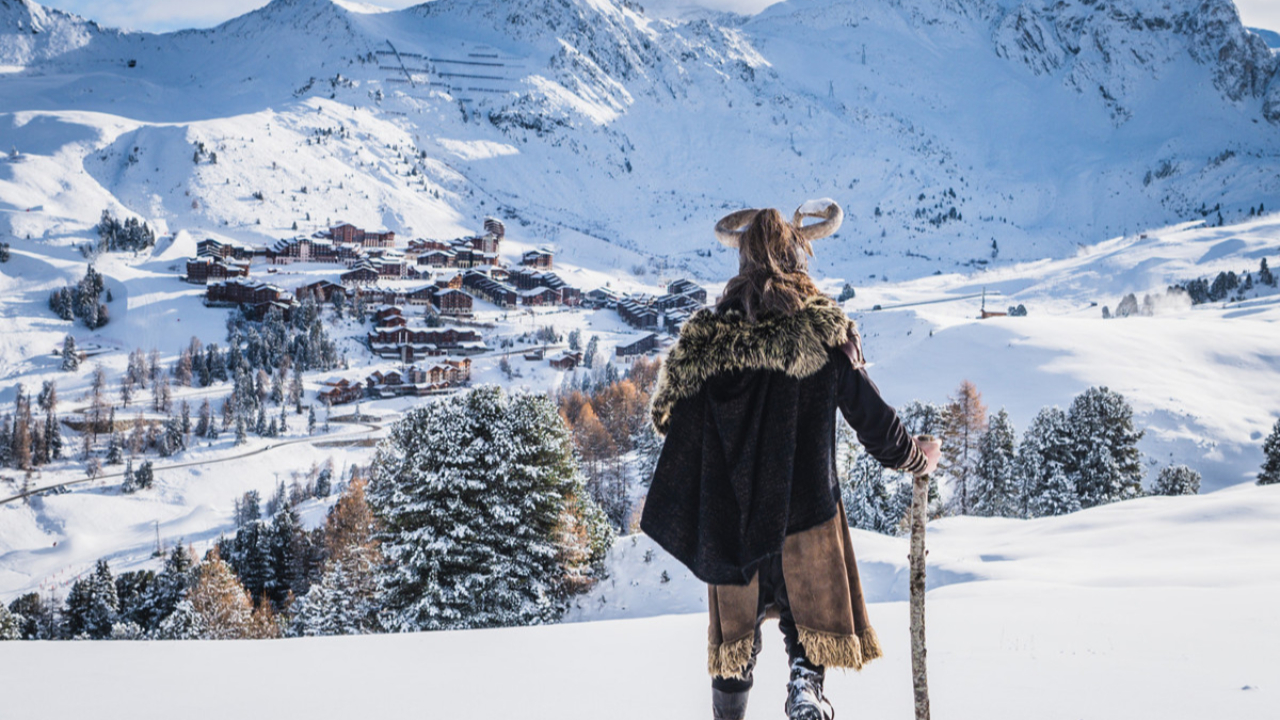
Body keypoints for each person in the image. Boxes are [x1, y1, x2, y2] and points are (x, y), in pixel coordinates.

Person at [640, 200, 941, 720]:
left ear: (744, 262)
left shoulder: (705, 340)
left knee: (734, 641)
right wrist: (916, 457)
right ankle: (806, 689)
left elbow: (667, 417)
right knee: (807, 623)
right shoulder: (824, 330)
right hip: (805, 517)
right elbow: (869, 416)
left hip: (731, 521)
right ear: (798, 255)